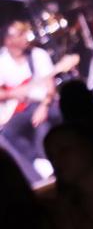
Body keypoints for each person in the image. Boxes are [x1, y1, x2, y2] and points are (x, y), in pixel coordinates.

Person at [0, 21, 64, 184]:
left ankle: (51, 168)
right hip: (19, 110)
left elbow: (50, 88)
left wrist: (44, 106)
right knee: (6, 134)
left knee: (41, 126)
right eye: (20, 34)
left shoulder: (38, 55)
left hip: (44, 104)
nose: (26, 37)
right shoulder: (2, 62)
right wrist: (12, 93)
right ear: (8, 41)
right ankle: (37, 170)